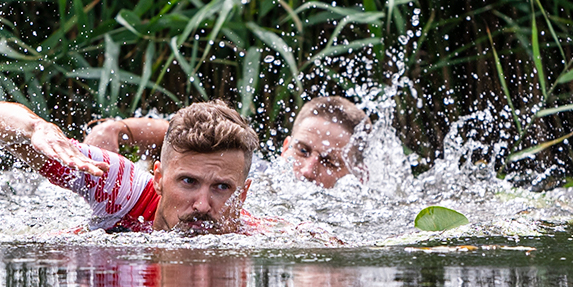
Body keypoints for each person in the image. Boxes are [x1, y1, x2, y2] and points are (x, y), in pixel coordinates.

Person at [0, 100, 260, 234]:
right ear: (158, 179)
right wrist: (37, 128)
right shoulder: (122, 187)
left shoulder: (253, 234)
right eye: (188, 182)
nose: (202, 205)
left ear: (243, 194)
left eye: (222, 187)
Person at [85, 96, 368, 188]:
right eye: (302, 150)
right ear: (285, 147)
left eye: (328, 161)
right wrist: (117, 129)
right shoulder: (254, 172)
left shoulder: (359, 211)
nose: (307, 171)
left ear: (357, 176)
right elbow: (183, 133)